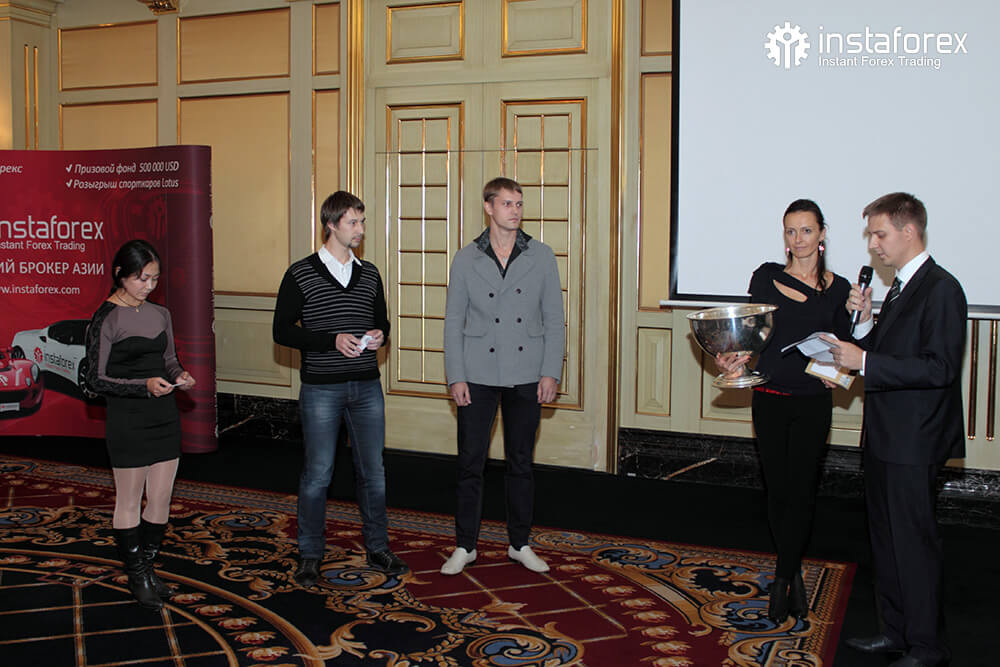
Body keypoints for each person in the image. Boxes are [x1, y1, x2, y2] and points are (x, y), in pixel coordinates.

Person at [822, 193, 965, 667]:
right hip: (887, 436)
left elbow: (939, 367)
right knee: (886, 540)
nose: (873, 245)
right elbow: (892, 351)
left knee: (913, 545)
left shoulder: (941, 288)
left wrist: (864, 360)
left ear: (909, 231)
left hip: (915, 440)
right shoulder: (903, 286)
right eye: (871, 236)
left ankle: (927, 647)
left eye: (880, 234)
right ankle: (897, 632)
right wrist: (865, 324)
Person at [716, 199, 852, 622]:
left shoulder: (841, 289)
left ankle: (783, 576)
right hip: (770, 396)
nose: (798, 239)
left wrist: (840, 372)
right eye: (791, 231)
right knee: (778, 490)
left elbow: (845, 346)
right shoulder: (766, 276)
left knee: (803, 490)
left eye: (806, 230)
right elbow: (750, 333)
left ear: (822, 234)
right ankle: (789, 573)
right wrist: (731, 357)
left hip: (813, 402)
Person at [273, 190, 406, 587]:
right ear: (331, 225)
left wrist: (380, 335)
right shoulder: (300, 273)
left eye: (362, 221)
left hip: (367, 387)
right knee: (318, 474)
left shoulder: (370, 274)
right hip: (321, 390)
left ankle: (377, 547)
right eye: (353, 222)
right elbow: (282, 331)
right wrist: (330, 341)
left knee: (374, 473)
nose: (360, 229)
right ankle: (310, 554)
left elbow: (382, 323)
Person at [440, 177, 565, 576]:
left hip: (527, 372)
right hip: (477, 371)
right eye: (508, 203)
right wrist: (456, 376)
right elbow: (453, 322)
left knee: (521, 462)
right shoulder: (466, 258)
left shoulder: (541, 255)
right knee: (470, 462)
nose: (515, 210)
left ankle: (519, 543)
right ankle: (465, 546)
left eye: (519, 204)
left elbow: (554, 319)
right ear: (489, 207)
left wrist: (551, 371)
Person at [84, 239, 196, 610]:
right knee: (129, 500)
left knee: (161, 497)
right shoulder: (106, 318)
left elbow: (169, 359)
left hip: (163, 415)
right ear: (120, 274)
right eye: (141, 278)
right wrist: (143, 386)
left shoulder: (160, 313)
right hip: (128, 417)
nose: (149, 286)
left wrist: (180, 375)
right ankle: (137, 575)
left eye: (154, 279)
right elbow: (96, 380)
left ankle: (146, 569)